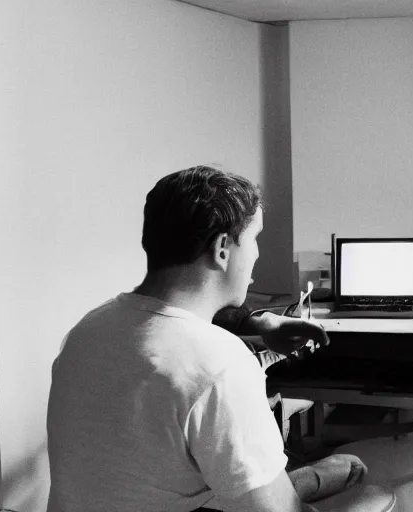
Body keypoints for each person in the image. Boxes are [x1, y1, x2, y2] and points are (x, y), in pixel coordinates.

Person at [47, 165, 333, 512]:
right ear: (223, 248)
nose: (256, 254)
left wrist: (258, 322)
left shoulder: (86, 331)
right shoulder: (221, 364)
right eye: (254, 238)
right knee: (374, 490)